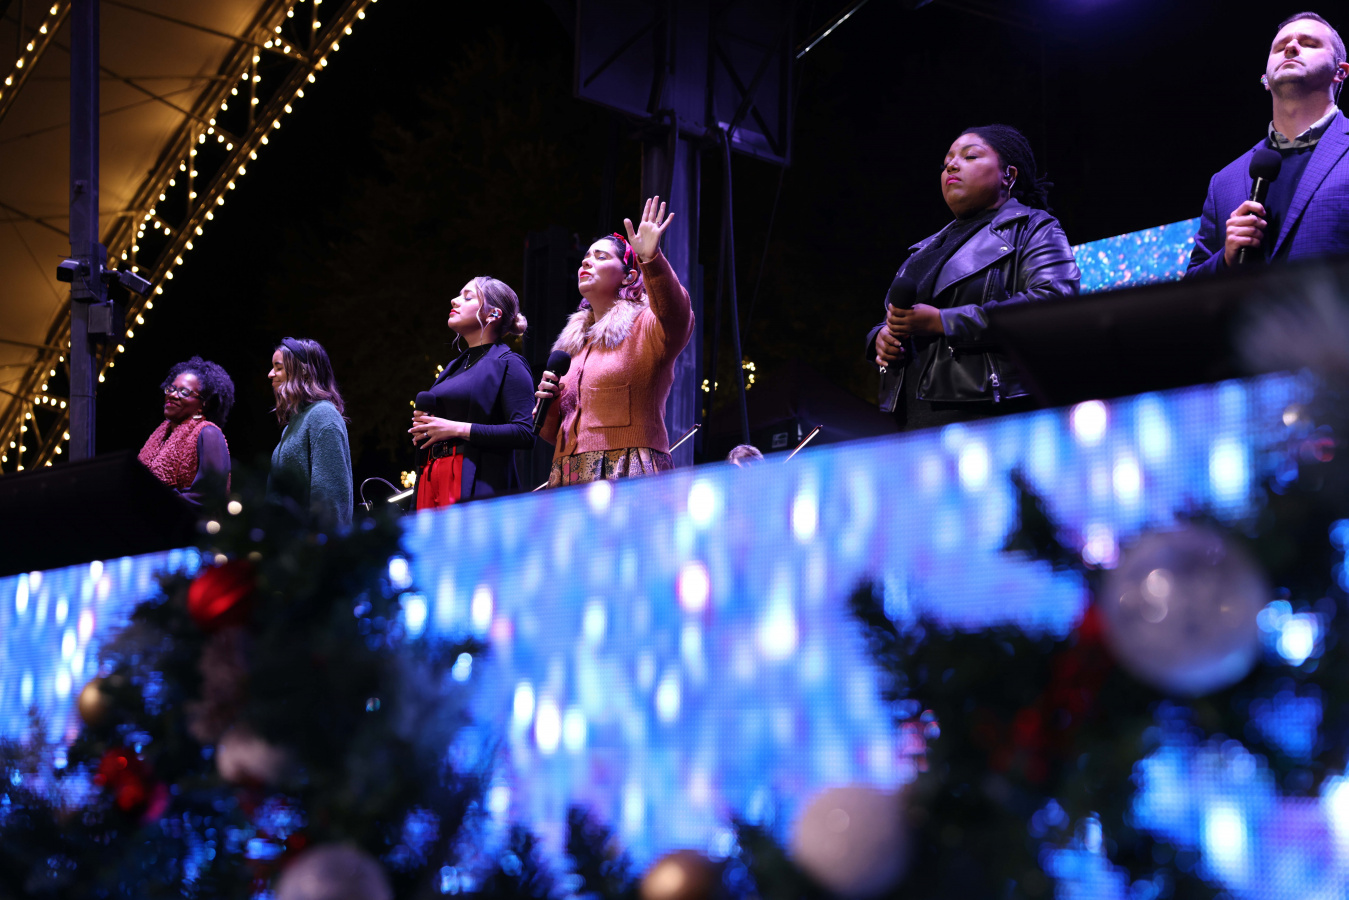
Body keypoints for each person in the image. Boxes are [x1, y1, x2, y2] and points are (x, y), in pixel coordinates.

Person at [868, 125, 1079, 431]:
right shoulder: (925, 250)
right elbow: (900, 318)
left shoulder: (1033, 228)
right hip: (911, 422)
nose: (951, 166)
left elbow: (1053, 304)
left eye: (970, 156)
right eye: (947, 162)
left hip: (988, 415)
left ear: (1008, 175)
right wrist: (881, 337)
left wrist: (944, 321)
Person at [535, 196, 694, 486]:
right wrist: (548, 406)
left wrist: (651, 259)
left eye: (601, 257)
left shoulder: (645, 326)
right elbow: (553, 434)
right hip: (568, 477)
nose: (586, 261)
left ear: (628, 276)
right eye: (586, 256)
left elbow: (678, 316)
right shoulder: (572, 349)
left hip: (629, 472)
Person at [1187, 12, 1349, 276]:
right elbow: (1191, 287)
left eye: (1308, 43)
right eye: (1280, 46)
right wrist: (1225, 259)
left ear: (1340, 72)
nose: (1291, 47)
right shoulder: (1223, 182)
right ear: (1265, 79)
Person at [408, 276, 534, 507]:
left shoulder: (510, 363)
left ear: (493, 314)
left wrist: (454, 428)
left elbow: (525, 432)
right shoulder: (453, 366)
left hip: (473, 477)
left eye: (467, 297)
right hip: (431, 475)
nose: (454, 301)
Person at [266, 337, 353, 531]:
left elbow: (329, 500)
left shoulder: (323, 416)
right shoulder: (294, 424)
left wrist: (321, 542)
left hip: (309, 545)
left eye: (278, 368)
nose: (270, 374)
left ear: (303, 370)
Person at [137, 356, 234, 505]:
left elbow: (211, 494)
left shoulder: (209, 433)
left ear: (204, 404)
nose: (172, 395)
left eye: (184, 391)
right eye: (171, 389)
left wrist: (157, 500)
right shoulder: (162, 436)